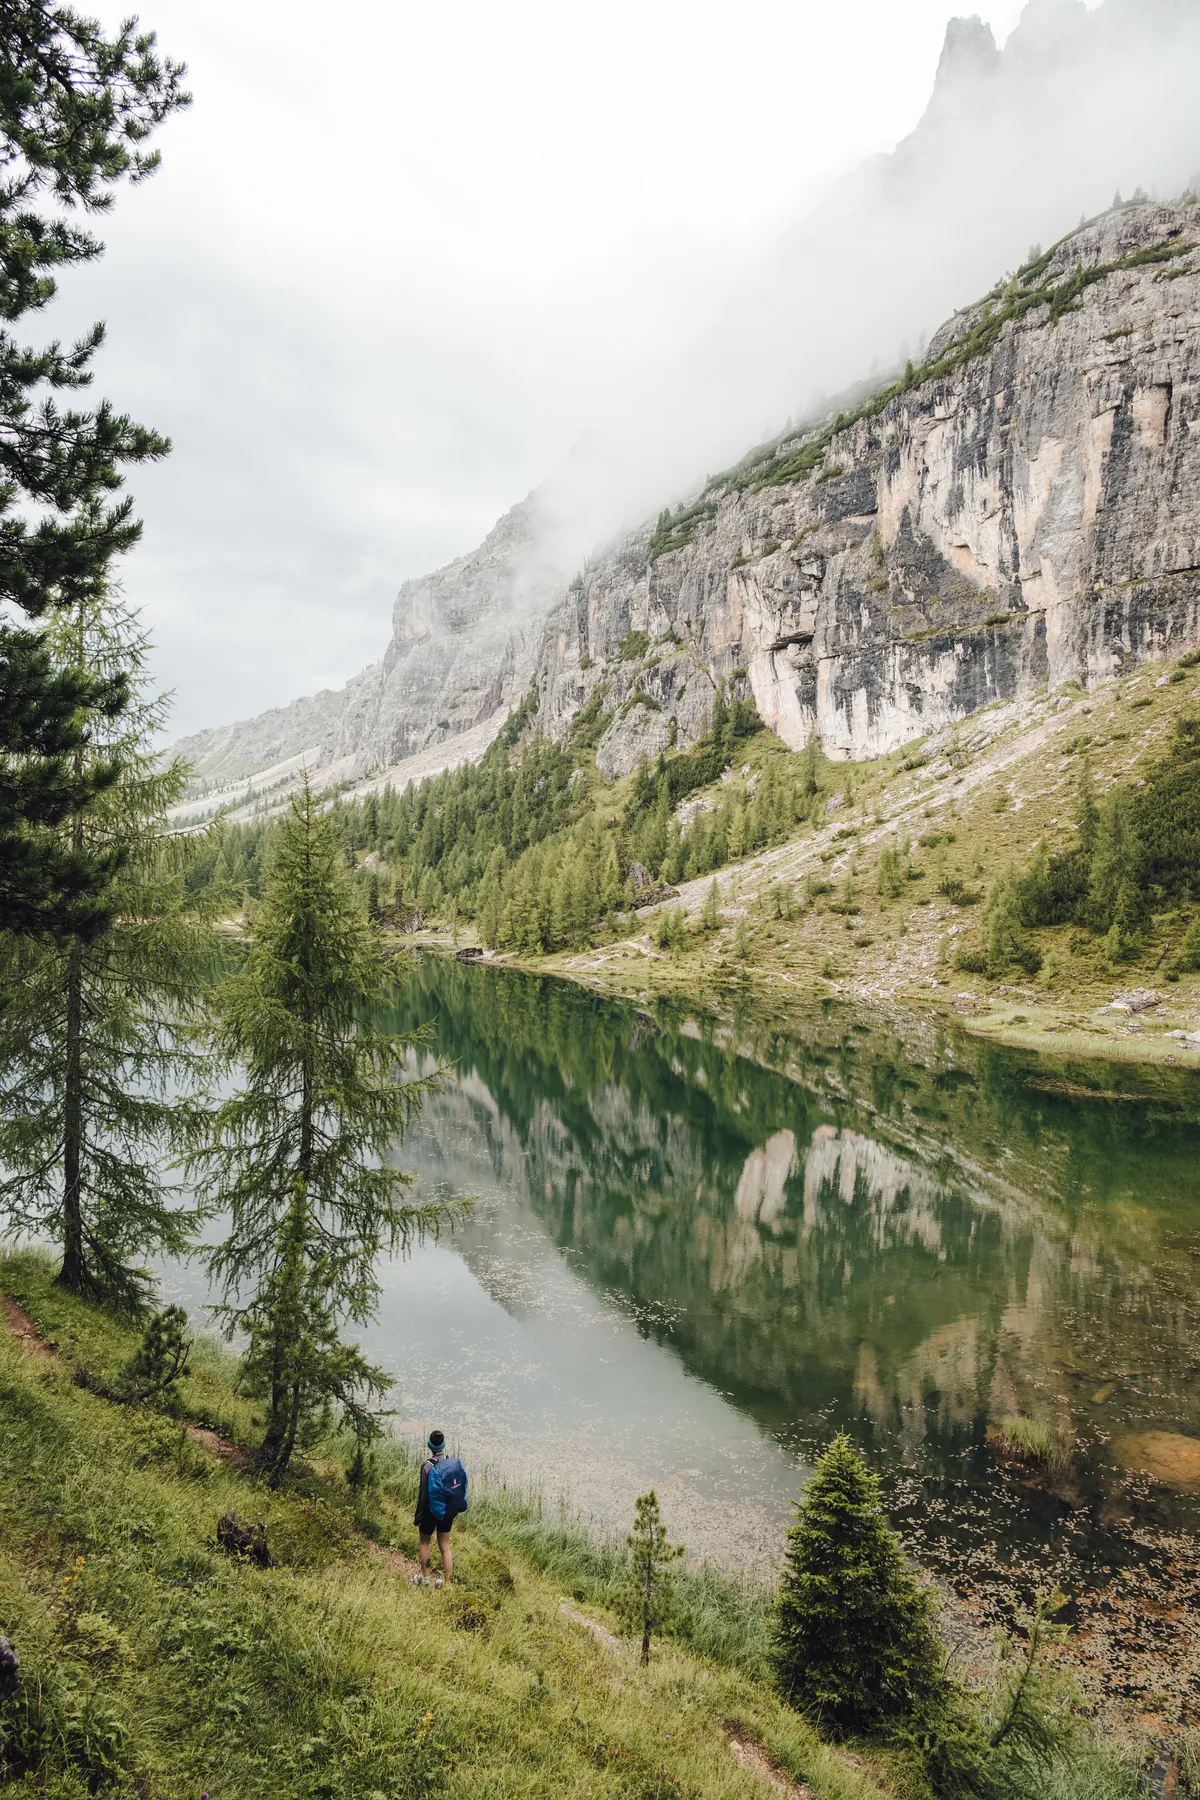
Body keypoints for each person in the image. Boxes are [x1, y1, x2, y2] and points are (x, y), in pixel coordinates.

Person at [412, 1427, 465, 1586]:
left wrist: (418, 1516)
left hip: (430, 1512)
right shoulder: (452, 1463)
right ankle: (446, 1583)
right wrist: (454, 1510)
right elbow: (456, 1490)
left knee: (425, 1543)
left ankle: (425, 1579)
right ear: (443, 1444)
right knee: (445, 1546)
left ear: (430, 1445)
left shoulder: (427, 1466)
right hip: (447, 1511)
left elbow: (423, 1496)